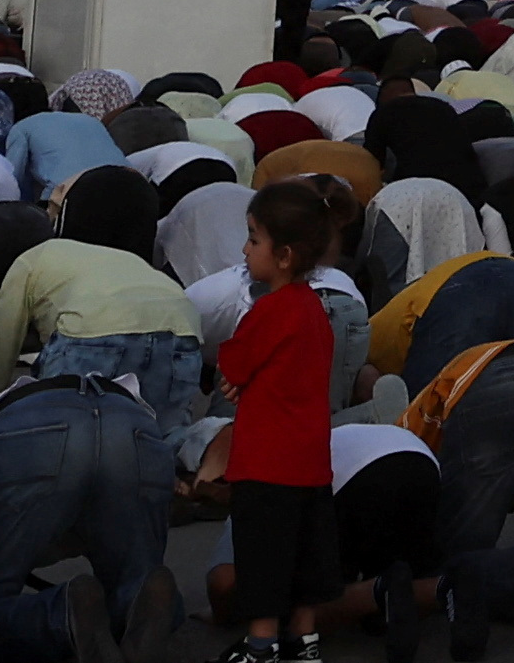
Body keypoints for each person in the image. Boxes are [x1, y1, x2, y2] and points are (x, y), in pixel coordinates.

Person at [215, 174, 349, 663]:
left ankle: (261, 644)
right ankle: (305, 640)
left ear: (285, 255)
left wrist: (235, 377)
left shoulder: (270, 310)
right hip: (310, 460)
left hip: (265, 460)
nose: (246, 249)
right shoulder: (316, 309)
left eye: (254, 238)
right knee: (307, 557)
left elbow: (233, 363)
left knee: (264, 557)